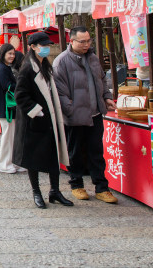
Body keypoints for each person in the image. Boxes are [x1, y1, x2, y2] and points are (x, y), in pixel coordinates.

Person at [53, 26, 119, 204]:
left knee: (96, 151)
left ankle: (101, 188)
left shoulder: (93, 58)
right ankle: (76, 184)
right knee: (75, 152)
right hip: (75, 115)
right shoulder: (62, 62)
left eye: (88, 41)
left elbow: (101, 80)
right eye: (82, 41)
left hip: (95, 113)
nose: (86, 44)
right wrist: (71, 109)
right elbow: (60, 93)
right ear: (71, 41)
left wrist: (106, 97)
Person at [14, 32, 72, 209]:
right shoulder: (27, 69)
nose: (46, 48)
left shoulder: (45, 66)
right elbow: (20, 95)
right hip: (34, 122)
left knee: (53, 155)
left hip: (50, 120)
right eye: (42, 45)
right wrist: (36, 111)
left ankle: (55, 190)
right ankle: (36, 192)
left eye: (47, 45)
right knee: (34, 158)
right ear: (32, 47)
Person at [0, 44, 23, 174]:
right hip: (5, 107)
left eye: (13, 53)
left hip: (9, 107)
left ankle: (12, 162)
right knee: (7, 136)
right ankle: (4, 164)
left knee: (11, 136)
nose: (12, 56)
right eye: (9, 53)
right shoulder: (1, 68)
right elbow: (8, 86)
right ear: (3, 54)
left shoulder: (5, 68)